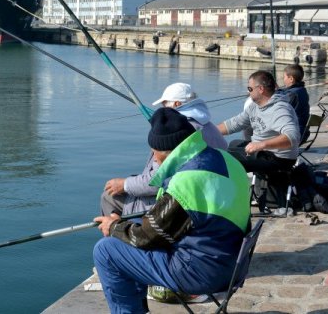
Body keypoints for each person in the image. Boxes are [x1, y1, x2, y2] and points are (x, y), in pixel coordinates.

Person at [93, 108, 250, 314]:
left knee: (106, 250)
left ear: (163, 151)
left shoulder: (187, 180)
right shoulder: (226, 159)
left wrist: (114, 225)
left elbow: (147, 238)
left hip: (202, 272)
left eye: (153, 152)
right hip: (233, 262)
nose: (153, 158)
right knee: (132, 235)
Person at [100, 82, 227, 217]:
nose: (162, 110)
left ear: (177, 104)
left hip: (180, 203)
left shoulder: (180, 133)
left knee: (108, 197)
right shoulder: (208, 125)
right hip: (209, 196)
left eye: (165, 104)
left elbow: (158, 180)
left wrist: (125, 184)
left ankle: (122, 233)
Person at [217, 70, 300, 174]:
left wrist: (261, 145)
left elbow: (292, 137)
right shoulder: (255, 107)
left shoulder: (280, 109)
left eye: (250, 89)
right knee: (233, 144)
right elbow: (234, 124)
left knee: (224, 161)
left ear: (261, 89)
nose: (248, 92)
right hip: (263, 153)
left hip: (279, 159)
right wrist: (206, 133)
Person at [278, 64, 310, 142]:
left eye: (284, 77)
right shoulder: (302, 90)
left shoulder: (292, 94)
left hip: (293, 134)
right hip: (302, 131)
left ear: (291, 79)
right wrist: (277, 90)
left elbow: (280, 111)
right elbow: (286, 91)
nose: (283, 79)